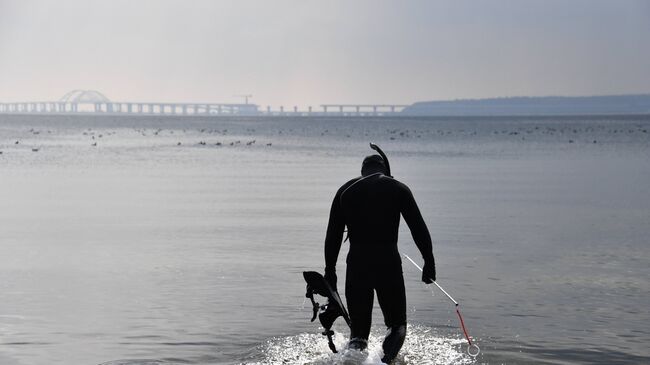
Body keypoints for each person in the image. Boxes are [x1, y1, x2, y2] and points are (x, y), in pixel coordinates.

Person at [323, 150, 436, 364]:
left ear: (363, 171)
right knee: (397, 325)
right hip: (388, 264)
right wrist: (429, 261)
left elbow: (333, 236)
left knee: (358, 335)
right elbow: (418, 228)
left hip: (357, 265)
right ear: (385, 170)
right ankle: (385, 362)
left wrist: (330, 271)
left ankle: (353, 359)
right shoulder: (398, 188)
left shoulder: (345, 191)